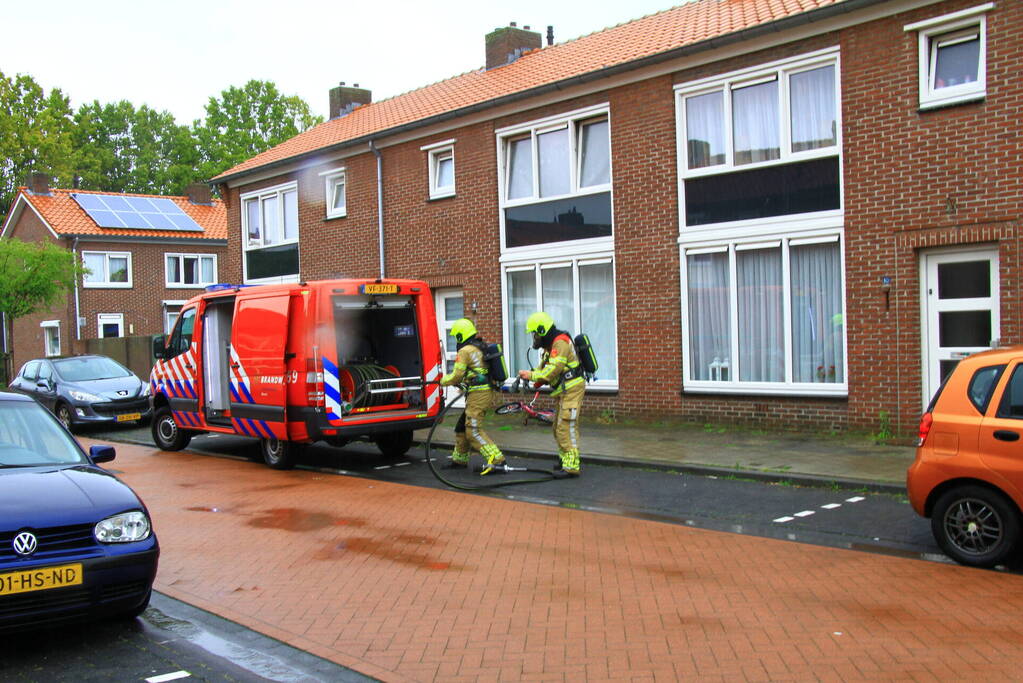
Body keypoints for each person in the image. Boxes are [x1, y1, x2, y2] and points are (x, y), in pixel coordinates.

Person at [517, 312, 584, 476]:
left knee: (566, 427)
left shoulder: (560, 342)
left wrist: (532, 376)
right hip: (563, 391)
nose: (534, 337)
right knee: (557, 427)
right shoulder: (550, 347)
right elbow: (544, 368)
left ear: (542, 330)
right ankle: (565, 461)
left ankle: (572, 466)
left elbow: (554, 369)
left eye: (535, 333)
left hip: (572, 389)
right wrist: (533, 376)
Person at [439, 318, 506, 475]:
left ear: (461, 336)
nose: (456, 340)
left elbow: (456, 375)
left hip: (478, 395)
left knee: (473, 430)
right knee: (462, 427)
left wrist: (443, 381)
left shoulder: (465, 351)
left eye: (456, 337)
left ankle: (498, 460)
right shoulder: (479, 347)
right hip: (481, 392)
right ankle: (459, 459)